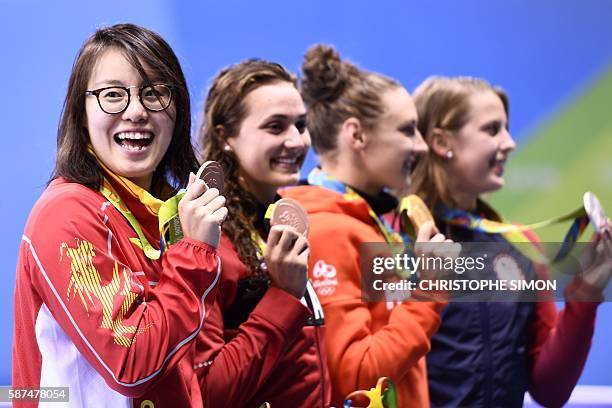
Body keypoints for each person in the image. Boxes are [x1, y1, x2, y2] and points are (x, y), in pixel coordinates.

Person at [12, 24, 227, 407]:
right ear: (81, 113)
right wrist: (195, 257)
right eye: (113, 95)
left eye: (154, 93)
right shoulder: (66, 215)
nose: (136, 112)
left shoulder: (165, 213)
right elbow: (131, 364)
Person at [411, 75, 612, 407]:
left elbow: (549, 390)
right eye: (492, 130)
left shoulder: (520, 244)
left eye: (506, 128)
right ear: (441, 142)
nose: (509, 142)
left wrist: (587, 291)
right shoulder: (394, 237)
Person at [282, 44, 449, 407]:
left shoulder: (368, 222)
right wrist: (430, 288)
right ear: (356, 135)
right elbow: (355, 379)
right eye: (407, 130)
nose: (421, 147)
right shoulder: (327, 231)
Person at [195, 59, 330, 407]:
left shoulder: (276, 220)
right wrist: (283, 294)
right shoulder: (205, 237)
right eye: (275, 127)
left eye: (301, 125)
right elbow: (209, 393)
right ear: (225, 137)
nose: (296, 141)